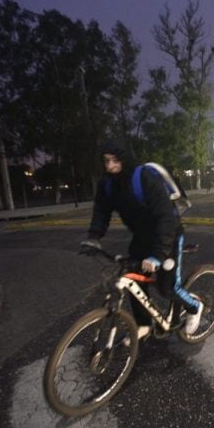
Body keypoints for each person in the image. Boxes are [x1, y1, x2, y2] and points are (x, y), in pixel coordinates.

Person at [81, 140, 203, 340]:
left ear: (125, 159)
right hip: (142, 236)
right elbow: (101, 212)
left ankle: (195, 307)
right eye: (106, 161)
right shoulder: (107, 184)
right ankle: (144, 325)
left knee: (167, 287)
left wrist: (157, 256)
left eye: (115, 161)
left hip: (168, 234)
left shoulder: (144, 177)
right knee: (133, 279)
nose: (110, 166)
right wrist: (93, 237)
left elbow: (166, 218)